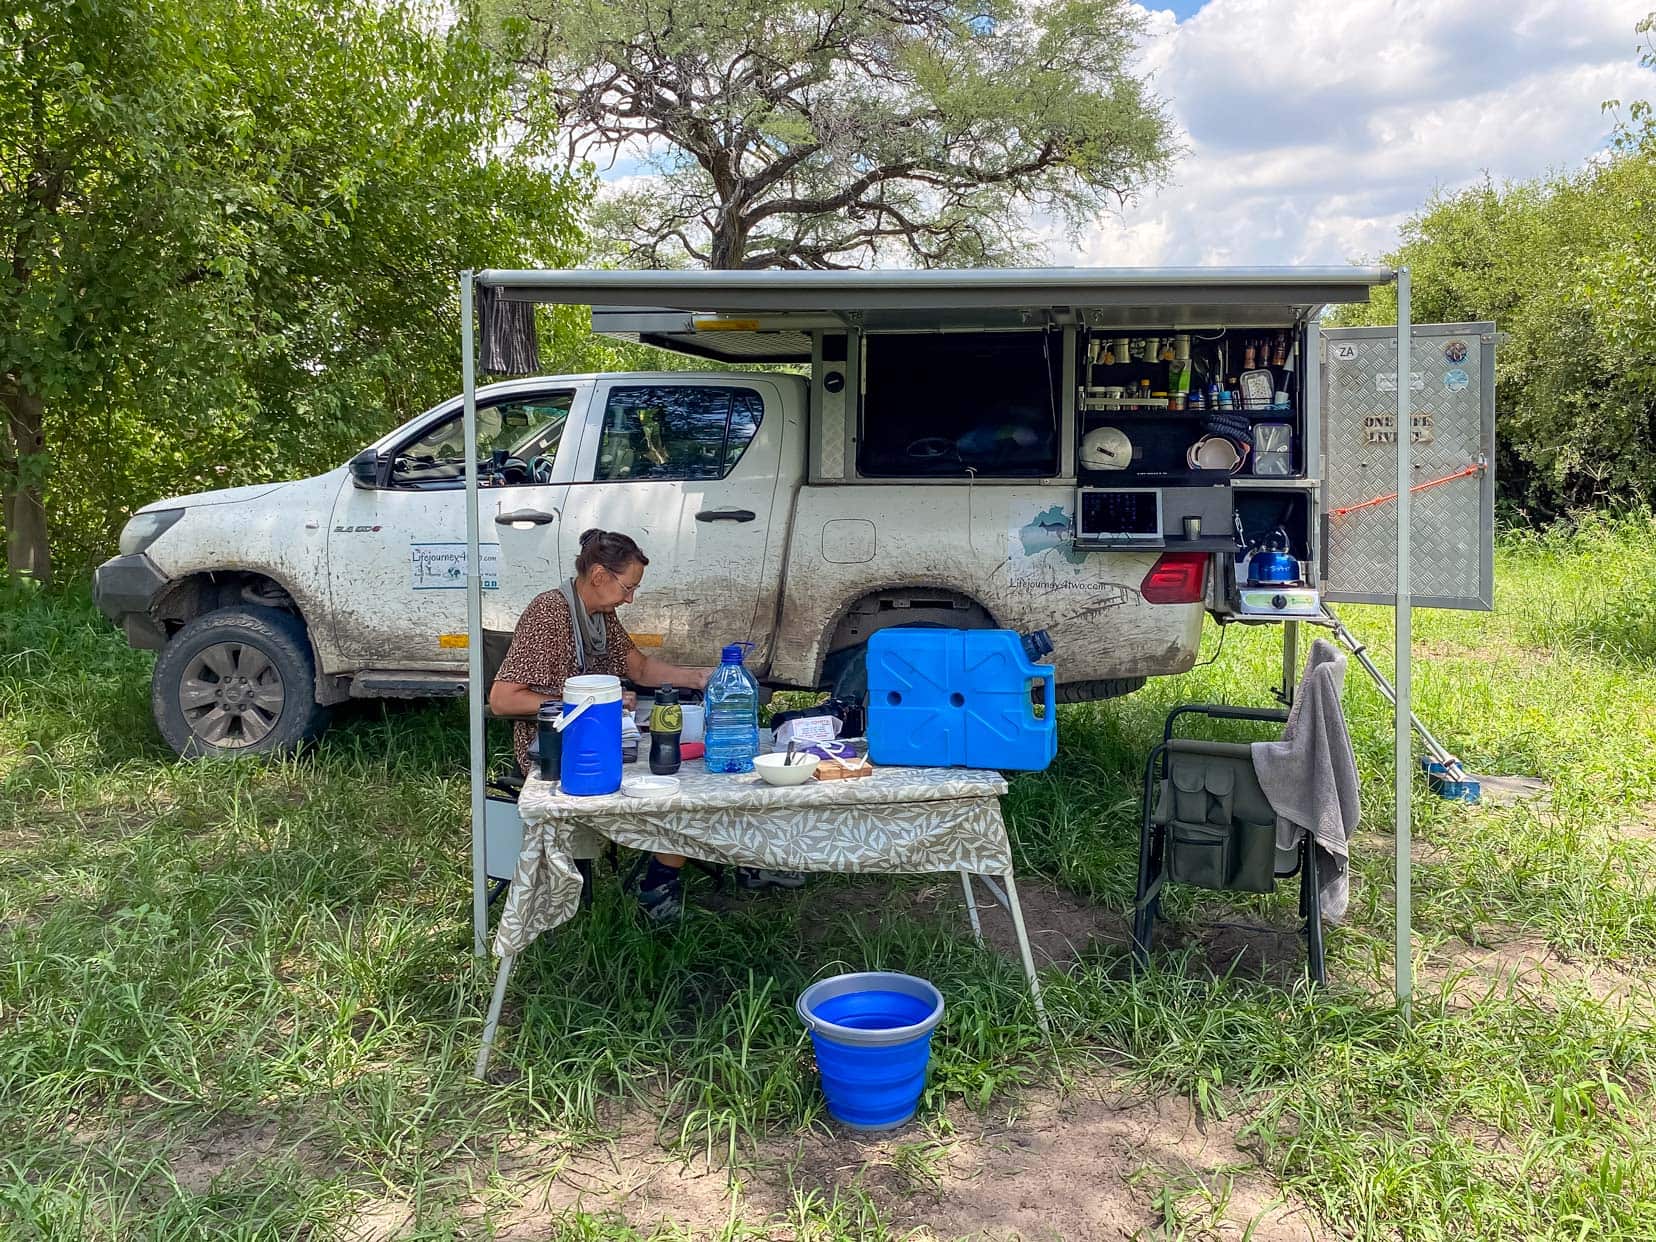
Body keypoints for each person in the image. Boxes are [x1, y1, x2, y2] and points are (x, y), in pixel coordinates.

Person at [489, 529, 800, 924]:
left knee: (689, 766)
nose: (630, 597)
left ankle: (733, 856)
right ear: (600, 575)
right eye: (628, 587)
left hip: (603, 735)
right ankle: (659, 886)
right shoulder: (550, 613)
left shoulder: (599, 613)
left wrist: (700, 677)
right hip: (558, 749)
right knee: (677, 782)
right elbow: (503, 699)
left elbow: (638, 668)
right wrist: (595, 703)